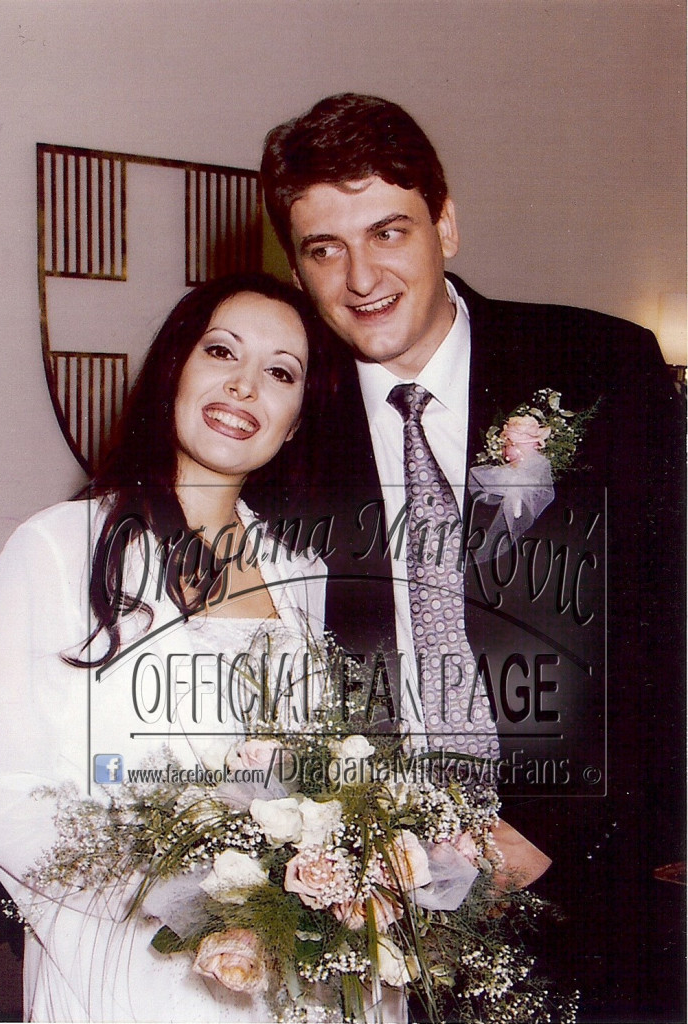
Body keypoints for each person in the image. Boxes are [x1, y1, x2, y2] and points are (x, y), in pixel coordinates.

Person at [255, 94, 686, 1022]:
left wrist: (563, 831)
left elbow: (669, 623)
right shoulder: (283, 427)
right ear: (296, 266)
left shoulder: (597, 366)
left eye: (388, 232)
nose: (360, 277)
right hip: (381, 911)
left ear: (444, 224)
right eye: (324, 249)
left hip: (600, 881)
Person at [0, 272, 329, 1022]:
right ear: (174, 370)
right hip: (121, 964)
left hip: (280, 974)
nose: (244, 386)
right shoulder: (58, 547)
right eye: (221, 351)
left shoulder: (302, 573)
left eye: (280, 372)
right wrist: (170, 901)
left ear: (296, 421)